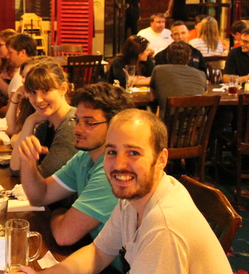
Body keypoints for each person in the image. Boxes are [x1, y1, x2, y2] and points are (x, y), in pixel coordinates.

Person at [16, 109, 232, 274]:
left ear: (161, 159)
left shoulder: (163, 227)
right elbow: (97, 254)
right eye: (112, 152)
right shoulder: (133, 199)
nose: (119, 165)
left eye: (134, 153)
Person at [18, 83, 134, 247]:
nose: (77, 129)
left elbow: (64, 235)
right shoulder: (84, 157)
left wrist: (58, 211)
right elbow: (39, 196)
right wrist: (28, 161)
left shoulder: (113, 171)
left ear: (115, 126)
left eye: (89, 123)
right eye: (77, 120)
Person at [10, 61, 77, 178]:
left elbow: (42, 177)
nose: (38, 100)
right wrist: (30, 121)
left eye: (45, 90)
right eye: (33, 92)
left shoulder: (71, 126)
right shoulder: (47, 124)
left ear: (63, 89)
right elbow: (16, 168)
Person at [150, 41, 207, 116]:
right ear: (189, 58)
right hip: (198, 122)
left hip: (169, 121)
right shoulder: (201, 74)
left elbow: (154, 96)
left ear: (167, 56)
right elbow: (204, 94)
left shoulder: (158, 70)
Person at [6, 33, 38, 97]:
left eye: (10, 52)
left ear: (22, 53)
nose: (8, 56)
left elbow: (14, 102)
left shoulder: (23, 75)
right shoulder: (21, 71)